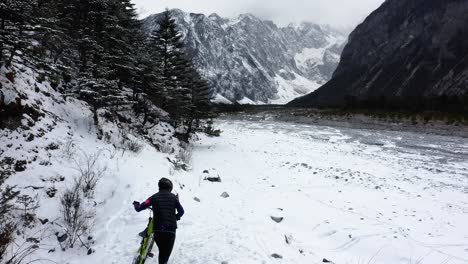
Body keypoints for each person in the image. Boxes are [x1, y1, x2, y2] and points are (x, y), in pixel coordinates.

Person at [133, 178, 184, 264]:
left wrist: (136, 204)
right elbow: (181, 211)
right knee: (164, 257)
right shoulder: (174, 198)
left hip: (158, 230)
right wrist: (176, 217)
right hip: (170, 231)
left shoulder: (153, 197)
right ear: (170, 187)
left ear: (159, 187)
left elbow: (139, 208)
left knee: (161, 248)